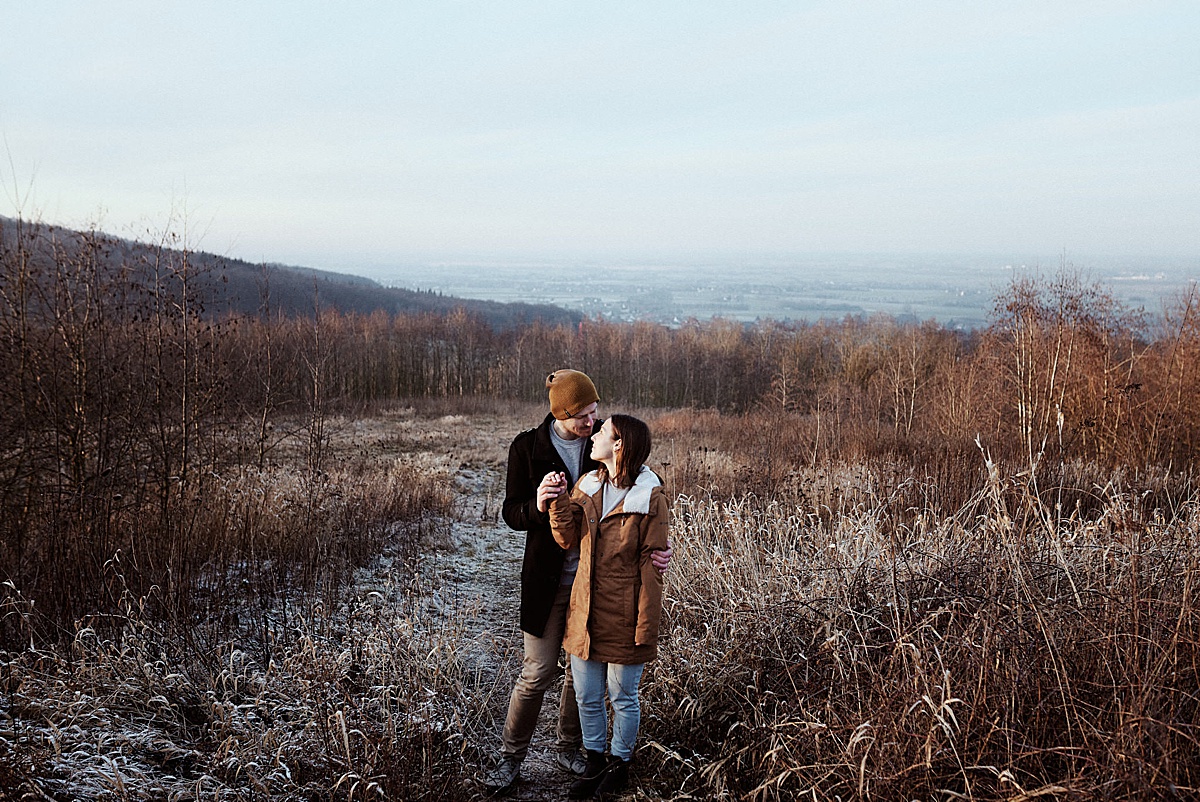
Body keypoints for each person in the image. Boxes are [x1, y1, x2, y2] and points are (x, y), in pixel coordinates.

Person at [482, 371, 671, 796]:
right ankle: (510, 758)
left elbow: (635, 477)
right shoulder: (528, 448)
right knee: (538, 672)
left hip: (598, 586)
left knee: (579, 675)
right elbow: (512, 514)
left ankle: (577, 751)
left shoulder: (600, 449)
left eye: (596, 414)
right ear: (563, 414)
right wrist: (539, 504)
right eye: (585, 416)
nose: (593, 422)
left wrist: (658, 541)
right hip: (549, 582)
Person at [546, 414, 668, 800]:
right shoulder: (588, 484)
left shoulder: (650, 497)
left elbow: (653, 570)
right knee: (586, 694)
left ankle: (620, 765)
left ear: (619, 445)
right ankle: (594, 761)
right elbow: (566, 539)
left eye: (602, 431)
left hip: (626, 613)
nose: (594, 434)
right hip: (585, 610)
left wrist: (645, 626)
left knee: (623, 697)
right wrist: (559, 502)